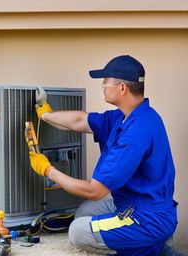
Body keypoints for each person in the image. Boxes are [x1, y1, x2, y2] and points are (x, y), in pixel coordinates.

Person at [29, 55, 185, 256]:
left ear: (122, 88)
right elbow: (80, 120)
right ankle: (146, 242)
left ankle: (155, 247)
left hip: (146, 217)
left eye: (105, 82)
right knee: (85, 212)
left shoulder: (136, 132)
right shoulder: (125, 115)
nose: (102, 86)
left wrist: (48, 170)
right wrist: (45, 115)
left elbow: (95, 191)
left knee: (78, 232)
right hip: (133, 200)